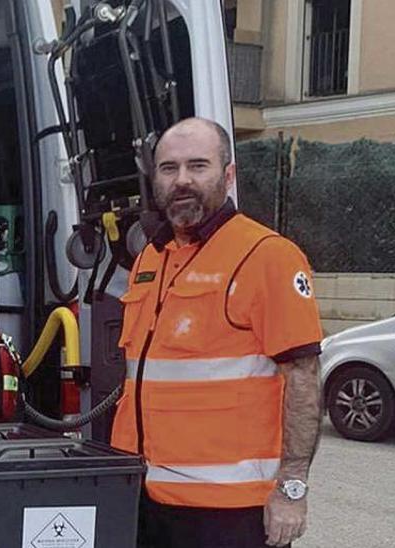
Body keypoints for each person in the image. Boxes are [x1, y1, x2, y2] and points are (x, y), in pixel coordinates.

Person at [111, 118, 323, 548]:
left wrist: (291, 490)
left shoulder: (267, 257)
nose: (182, 180)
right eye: (169, 168)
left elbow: (303, 378)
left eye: (198, 166)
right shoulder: (151, 258)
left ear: (227, 175)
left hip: (229, 512)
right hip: (145, 498)